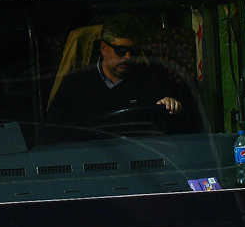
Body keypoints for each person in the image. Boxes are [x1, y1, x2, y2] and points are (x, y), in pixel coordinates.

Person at [47, 15, 189, 139]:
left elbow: (167, 105)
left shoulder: (149, 77)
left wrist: (170, 102)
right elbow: (52, 132)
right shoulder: (75, 82)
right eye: (121, 51)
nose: (128, 57)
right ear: (104, 48)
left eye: (134, 51)